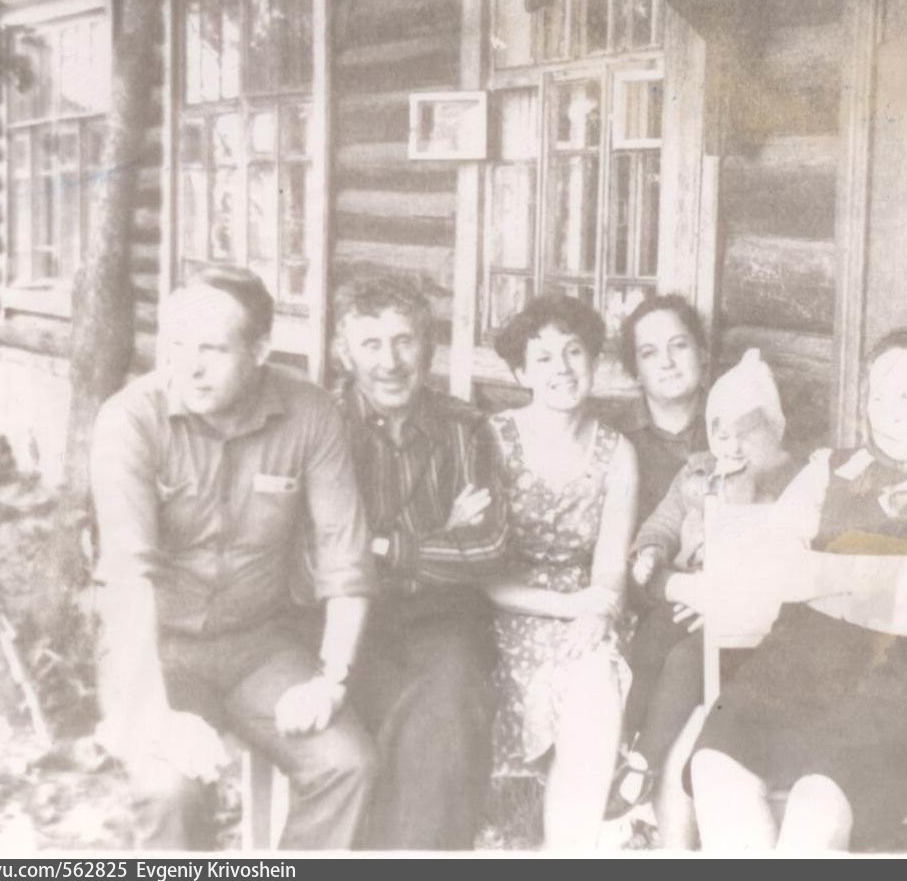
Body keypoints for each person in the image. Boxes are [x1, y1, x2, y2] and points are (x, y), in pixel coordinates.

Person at [689, 327, 907, 851]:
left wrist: (819, 578)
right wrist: (897, 577)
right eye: (878, 397)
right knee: (715, 764)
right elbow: (768, 566)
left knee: (817, 802)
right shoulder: (830, 468)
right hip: (798, 670)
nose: (889, 413)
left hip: (904, 689)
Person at [89, 267, 378, 850]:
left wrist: (330, 680)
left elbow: (345, 558)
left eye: (212, 350)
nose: (189, 367)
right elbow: (127, 578)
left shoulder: (310, 412)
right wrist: (155, 717)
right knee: (169, 789)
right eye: (177, 347)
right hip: (157, 648)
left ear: (260, 350)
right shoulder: (131, 418)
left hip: (259, 648)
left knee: (347, 764)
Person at [328, 276, 508, 850]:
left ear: (428, 349)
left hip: (443, 619)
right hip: (346, 620)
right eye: (371, 344)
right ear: (344, 353)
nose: (390, 362)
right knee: (361, 725)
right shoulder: (324, 426)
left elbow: (490, 549)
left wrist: (382, 546)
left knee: (448, 716)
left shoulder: (464, 428)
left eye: (404, 341)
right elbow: (318, 546)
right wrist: (438, 536)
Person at [612, 349, 804, 847]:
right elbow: (663, 521)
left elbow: (783, 562)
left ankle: (645, 762)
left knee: (684, 661)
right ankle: (624, 742)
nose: (731, 444)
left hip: (749, 627)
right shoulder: (695, 474)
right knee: (651, 638)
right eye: (720, 430)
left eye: (747, 432)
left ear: (774, 432)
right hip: (692, 600)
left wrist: (731, 598)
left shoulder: (789, 484)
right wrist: (651, 552)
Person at [483, 294, 639, 848]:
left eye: (574, 351)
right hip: (502, 612)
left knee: (595, 684)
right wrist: (573, 606)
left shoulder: (616, 452)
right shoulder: (492, 440)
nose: (563, 369)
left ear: (593, 360)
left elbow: (609, 572)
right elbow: (483, 575)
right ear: (521, 373)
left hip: (586, 616)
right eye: (543, 357)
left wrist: (596, 613)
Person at [615, 295, 710, 525]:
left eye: (679, 345)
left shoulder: (735, 420)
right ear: (636, 370)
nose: (667, 362)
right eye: (649, 353)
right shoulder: (615, 438)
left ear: (702, 352)